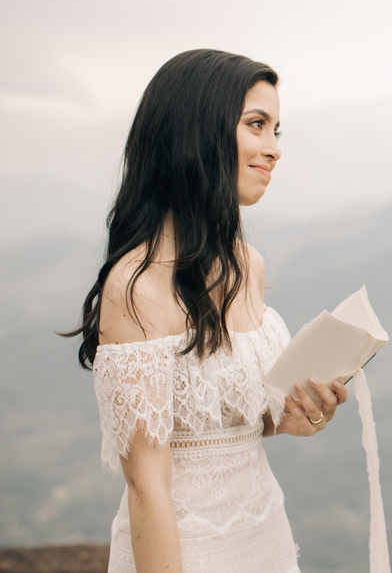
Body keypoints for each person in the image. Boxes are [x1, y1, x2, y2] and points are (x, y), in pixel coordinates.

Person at [63, 49, 348, 573]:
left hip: (265, 534)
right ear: (197, 131)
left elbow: (235, 422)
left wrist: (293, 416)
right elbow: (146, 486)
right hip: (185, 551)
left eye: (277, 129)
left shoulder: (247, 264)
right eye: (256, 125)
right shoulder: (138, 288)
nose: (274, 149)